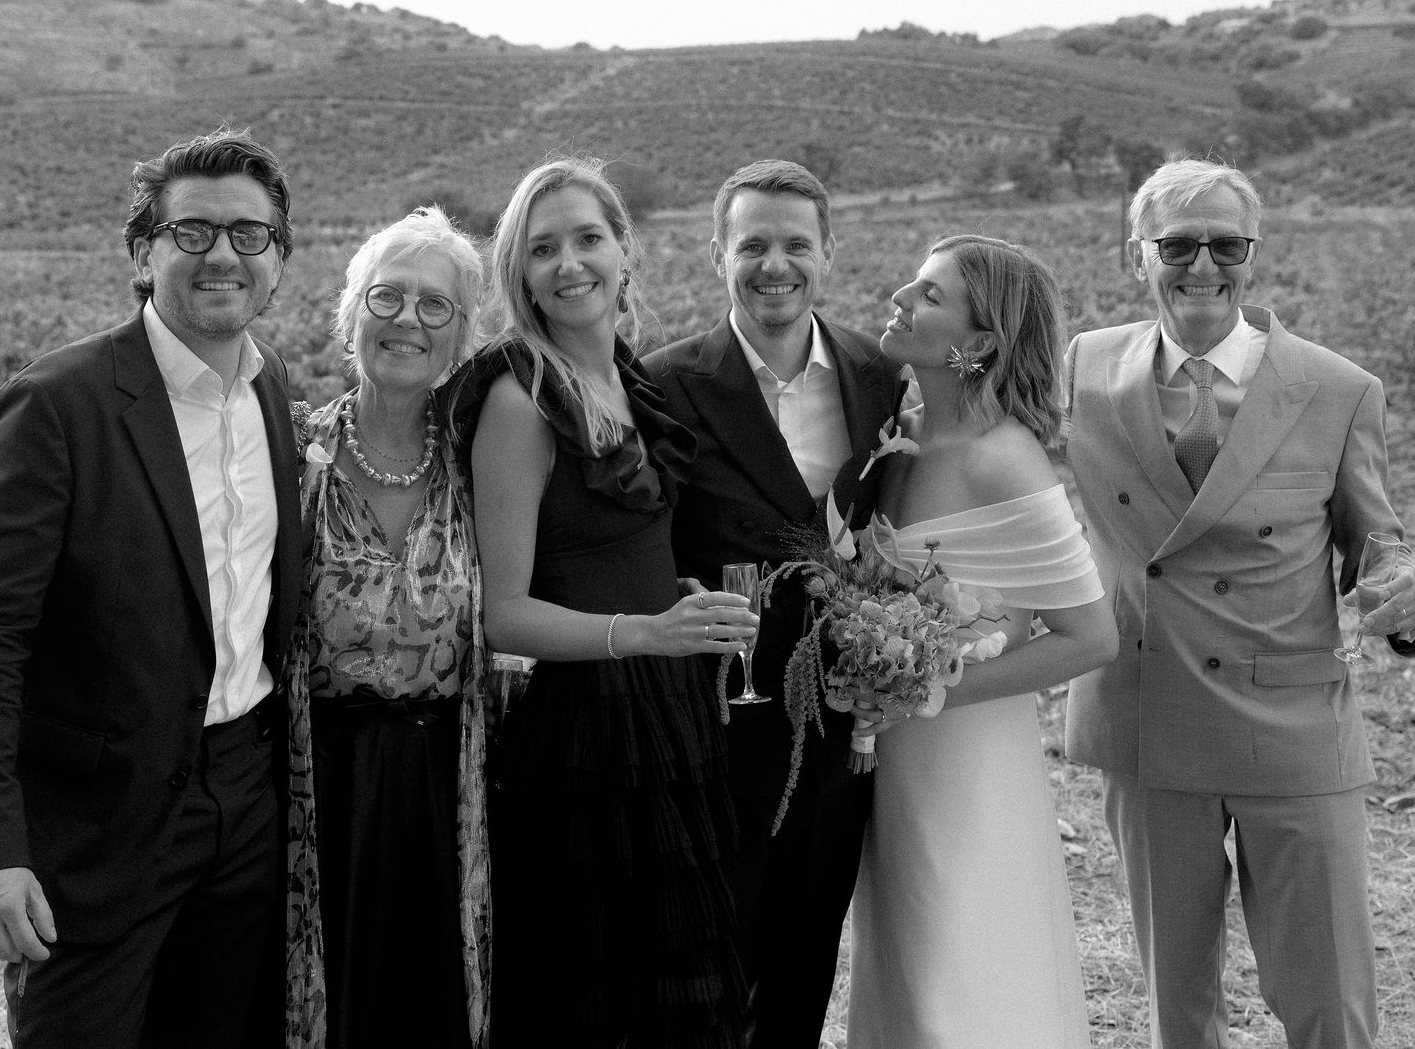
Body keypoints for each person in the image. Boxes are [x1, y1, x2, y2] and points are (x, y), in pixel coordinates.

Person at [0, 127, 304, 1048]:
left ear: (279, 260)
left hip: (245, 802)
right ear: (143, 254)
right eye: (193, 232)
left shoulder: (272, 392)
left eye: (250, 234)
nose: (223, 254)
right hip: (96, 825)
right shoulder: (57, 404)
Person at [1063, 158, 1415, 1049]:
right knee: (1177, 1004)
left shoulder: (1339, 389)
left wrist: (1400, 594)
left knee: (1329, 999)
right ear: (1136, 255)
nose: (1203, 265)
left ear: (1253, 254)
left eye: (1226, 245)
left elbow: (1376, 539)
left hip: (1291, 724)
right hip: (1147, 716)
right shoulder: (1085, 366)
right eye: (1177, 245)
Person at [454, 156, 759, 1049]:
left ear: (625, 250)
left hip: (668, 710)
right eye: (542, 248)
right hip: (584, 734)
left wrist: (675, 600)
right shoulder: (520, 400)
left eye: (588, 238)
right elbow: (505, 614)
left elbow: (616, 551)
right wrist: (647, 629)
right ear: (521, 275)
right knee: (598, 1000)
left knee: (680, 990)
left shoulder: (632, 381)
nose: (569, 263)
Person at [644, 158, 906, 1048]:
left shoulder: (879, 376)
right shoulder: (664, 385)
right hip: (711, 733)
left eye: (796, 244)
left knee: (802, 972)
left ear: (829, 252)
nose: (775, 265)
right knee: (701, 984)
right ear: (717, 254)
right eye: (752, 245)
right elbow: (639, 544)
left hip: (839, 735)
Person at [845, 235, 1118, 1049]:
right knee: (904, 969)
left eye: (931, 295)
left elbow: (1090, 636)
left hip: (966, 759)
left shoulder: (1004, 459)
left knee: (960, 970)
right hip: (891, 758)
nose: (901, 298)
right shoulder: (897, 438)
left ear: (982, 343)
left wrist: (920, 690)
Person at [282, 208, 489, 1049]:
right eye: (387, 296)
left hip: (454, 787)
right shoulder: (293, 453)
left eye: (435, 305)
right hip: (318, 788)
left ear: (461, 335)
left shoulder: (484, 462)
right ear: (351, 314)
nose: (408, 319)